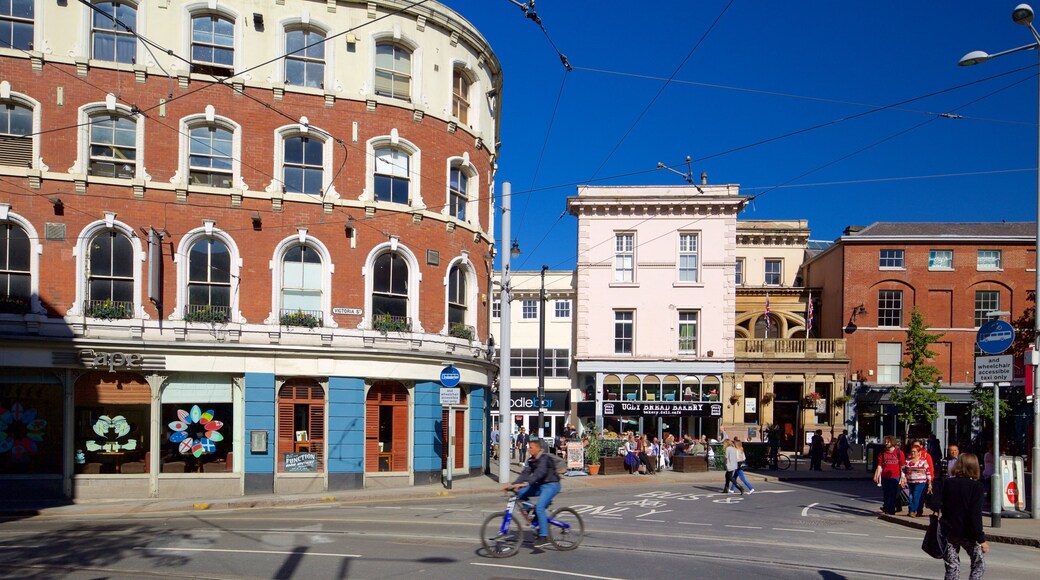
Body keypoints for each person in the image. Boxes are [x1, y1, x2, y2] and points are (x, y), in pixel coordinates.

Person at [935, 452, 988, 579]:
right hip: (967, 533)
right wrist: (981, 539)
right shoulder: (977, 487)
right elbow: (975, 514)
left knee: (952, 566)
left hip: (948, 531)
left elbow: (935, 502)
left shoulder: (947, 483)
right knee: (979, 563)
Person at [503, 439, 561, 549]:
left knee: (539, 507)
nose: (529, 450)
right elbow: (524, 474)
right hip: (540, 485)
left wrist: (526, 483)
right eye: (529, 447)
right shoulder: (531, 461)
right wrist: (513, 485)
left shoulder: (544, 458)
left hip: (552, 485)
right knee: (520, 493)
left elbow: (540, 473)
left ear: (539, 449)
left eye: (531, 448)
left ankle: (543, 536)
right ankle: (531, 511)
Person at [874, 436, 906, 515]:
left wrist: (903, 477)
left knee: (892, 493)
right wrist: (877, 475)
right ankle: (887, 507)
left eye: (888, 441)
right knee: (886, 494)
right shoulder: (882, 453)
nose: (886, 443)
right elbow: (879, 465)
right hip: (885, 476)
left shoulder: (899, 453)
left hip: (895, 476)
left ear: (893, 442)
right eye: (885, 441)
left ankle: (890, 510)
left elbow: (902, 466)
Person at [903, 441, 933, 518]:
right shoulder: (908, 461)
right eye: (911, 451)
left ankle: (913, 511)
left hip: (920, 482)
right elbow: (904, 470)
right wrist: (903, 478)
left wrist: (929, 483)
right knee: (910, 496)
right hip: (910, 481)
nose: (912, 453)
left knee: (916, 495)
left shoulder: (923, 461)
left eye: (914, 452)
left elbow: (928, 472)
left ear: (918, 452)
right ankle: (911, 510)